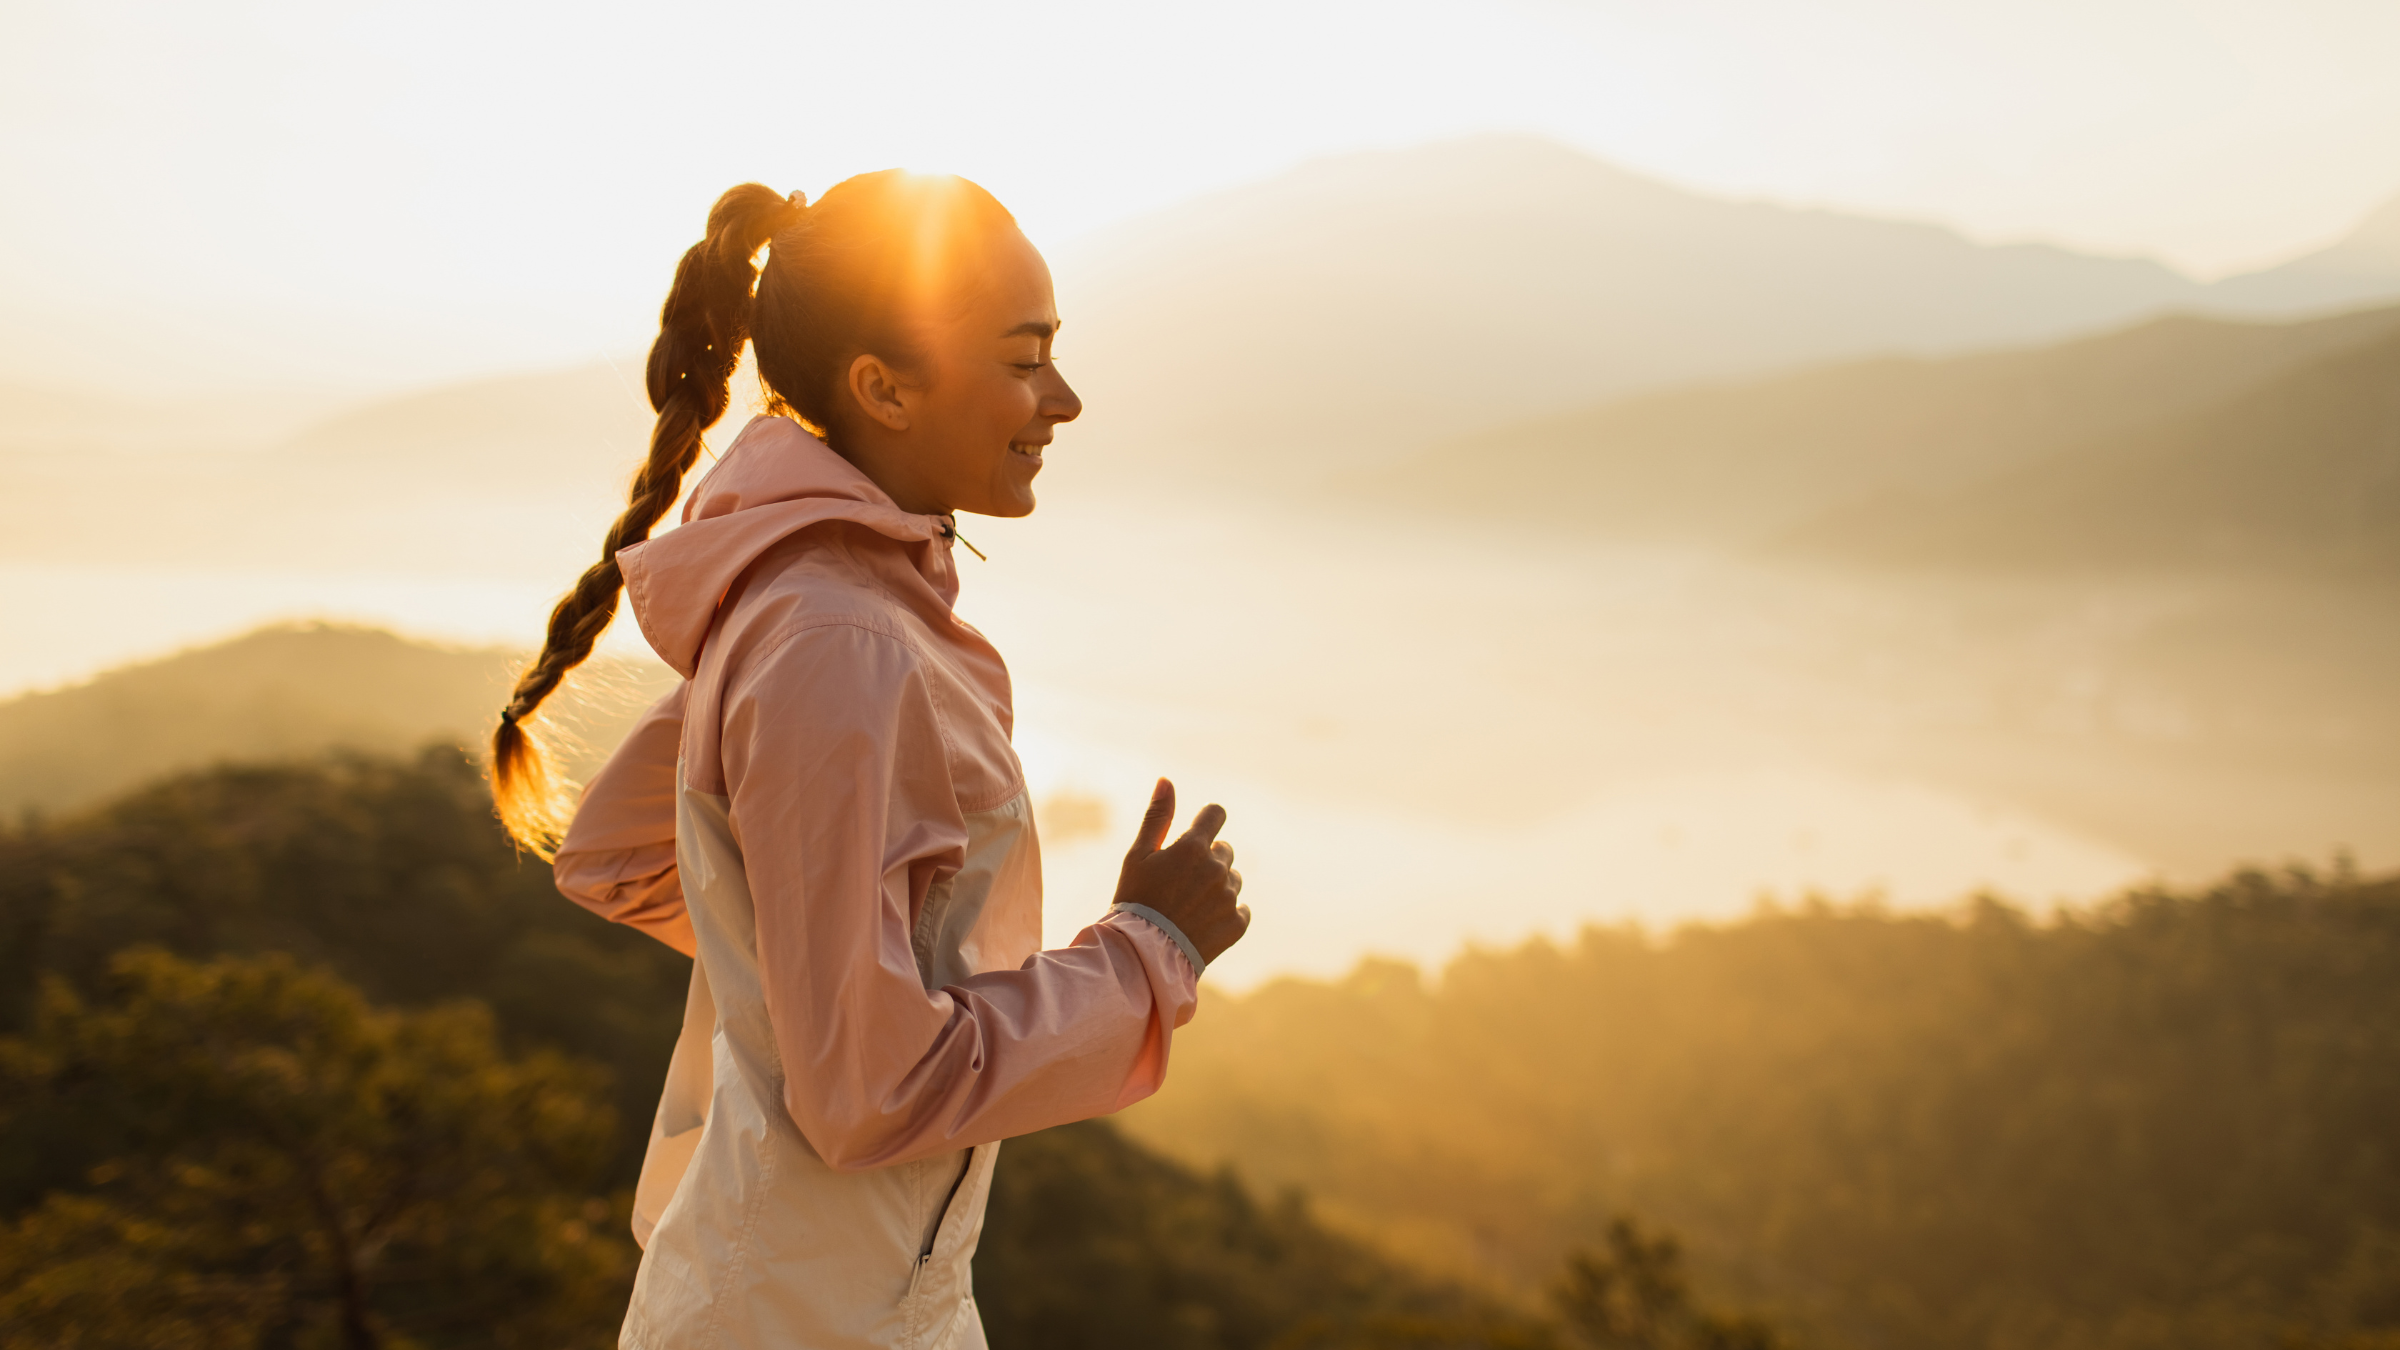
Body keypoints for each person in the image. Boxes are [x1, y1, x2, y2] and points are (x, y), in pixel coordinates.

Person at [486, 173, 1251, 1349]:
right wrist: (1149, 951)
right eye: (1023, 358)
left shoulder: (820, 604)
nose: (1066, 399)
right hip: (798, 1317)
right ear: (881, 387)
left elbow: (618, 857)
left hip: (840, 1291)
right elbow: (871, 1091)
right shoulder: (835, 636)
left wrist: (822, 961)